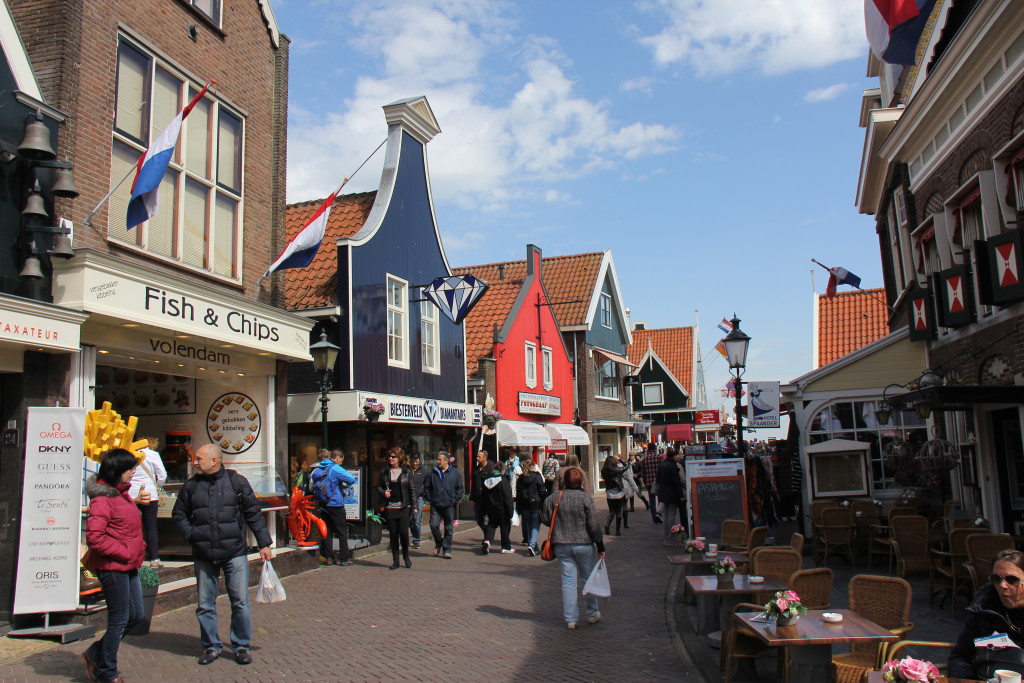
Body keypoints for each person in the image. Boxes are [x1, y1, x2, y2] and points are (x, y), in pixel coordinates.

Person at [172, 444, 273, 667]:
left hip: (234, 552)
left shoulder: (237, 482)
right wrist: (192, 535)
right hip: (203, 553)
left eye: (199, 459)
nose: (195, 462)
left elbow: (253, 513)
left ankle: (240, 646)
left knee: (240, 601)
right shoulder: (191, 486)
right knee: (205, 603)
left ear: (214, 461)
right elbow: (179, 513)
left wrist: (264, 543)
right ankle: (211, 646)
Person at [81, 449, 146, 683]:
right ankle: (107, 672)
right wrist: (125, 551)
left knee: (137, 615)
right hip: (113, 566)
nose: (133, 472)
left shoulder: (122, 494)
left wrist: (138, 547)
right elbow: (95, 538)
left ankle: (95, 653)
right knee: (120, 618)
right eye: (130, 469)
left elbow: (126, 528)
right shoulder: (102, 500)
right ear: (117, 471)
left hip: (128, 564)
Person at [541, 467, 606, 630]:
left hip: (562, 544)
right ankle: (592, 613)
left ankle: (570, 619)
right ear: (580, 481)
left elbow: (544, 517)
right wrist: (600, 545)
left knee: (568, 581)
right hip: (584, 543)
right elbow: (593, 524)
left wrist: (557, 524)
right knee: (587, 579)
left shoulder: (555, 497)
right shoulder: (585, 498)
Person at [949, 549, 1024, 679]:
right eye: (996, 578)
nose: (1003, 586)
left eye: (1012, 580)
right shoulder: (984, 608)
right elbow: (961, 655)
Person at [310, 449, 357, 566]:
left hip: (323, 503)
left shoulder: (318, 469)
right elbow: (351, 479)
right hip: (335, 504)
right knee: (342, 532)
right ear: (335, 458)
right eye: (341, 459)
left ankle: (328, 557)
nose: (341, 462)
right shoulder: (335, 469)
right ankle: (344, 558)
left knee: (327, 532)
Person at [377, 447, 417, 569]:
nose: (391, 459)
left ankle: (406, 556)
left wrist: (414, 505)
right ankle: (396, 561)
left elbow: (412, 489)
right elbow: (378, 486)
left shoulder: (406, 471)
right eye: (390, 456)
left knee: (404, 533)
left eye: (393, 457)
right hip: (390, 507)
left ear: (399, 458)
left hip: (403, 507)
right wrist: (384, 492)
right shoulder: (385, 471)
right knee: (393, 535)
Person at [129, 436, 166, 568]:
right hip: (150, 493)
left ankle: (134, 555)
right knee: (151, 526)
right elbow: (162, 475)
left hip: (131, 493)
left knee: (132, 525)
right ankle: (154, 558)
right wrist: (157, 484)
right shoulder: (153, 454)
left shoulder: (128, 452)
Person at [423, 450, 464, 559]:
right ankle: (439, 542)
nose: (438, 461)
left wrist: (454, 500)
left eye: (440, 460)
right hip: (436, 504)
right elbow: (427, 487)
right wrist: (430, 498)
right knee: (433, 525)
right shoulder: (433, 472)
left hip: (449, 505)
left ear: (446, 461)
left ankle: (446, 550)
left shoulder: (456, 473)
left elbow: (460, 489)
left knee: (448, 528)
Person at [480, 459, 515, 554]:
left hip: (490, 508)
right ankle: (506, 547)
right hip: (502, 508)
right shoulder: (503, 480)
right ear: (502, 470)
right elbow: (507, 497)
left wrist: (484, 509)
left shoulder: (487, 481)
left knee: (491, 526)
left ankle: (487, 541)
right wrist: (510, 510)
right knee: (505, 527)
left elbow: (483, 496)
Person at [516, 459, 546, 556]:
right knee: (535, 526)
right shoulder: (537, 476)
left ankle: (534, 547)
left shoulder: (520, 479)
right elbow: (542, 490)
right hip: (536, 504)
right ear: (532, 467)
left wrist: (518, 507)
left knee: (529, 526)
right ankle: (532, 545)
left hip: (524, 504)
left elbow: (518, 494)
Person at [657, 448, 685, 543]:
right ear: (673, 456)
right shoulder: (673, 466)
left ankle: (666, 535)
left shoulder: (661, 465)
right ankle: (670, 534)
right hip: (672, 492)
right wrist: (680, 495)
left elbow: (657, 479)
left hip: (663, 491)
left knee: (666, 514)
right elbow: (676, 482)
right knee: (672, 513)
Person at [471, 450, 497, 538]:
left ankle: (487, 537)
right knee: (479, 519)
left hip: (488, 498)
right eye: (477, 456)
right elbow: (474, 484)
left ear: (485, 458)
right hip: (478, 497)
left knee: (487, 519)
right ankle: (487, 535)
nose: (477, 458)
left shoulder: (491, 468)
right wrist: (471, 498)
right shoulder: (476, 469)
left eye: (479, 457)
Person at [601, 453, 629, 536]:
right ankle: (617, 531)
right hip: (618, 493)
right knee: (619, 513)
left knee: (612, 512)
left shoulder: (603, 470)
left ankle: (607, 525)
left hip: (609, 493)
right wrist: (620, 459)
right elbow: (627, 466)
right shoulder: (616, 469)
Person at [641, 448, 663, 523]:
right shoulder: (660, 457)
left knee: (652, 500)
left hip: (649, 482)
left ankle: (654, 516)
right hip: (659, 481)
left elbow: (643, 472)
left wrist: (645, 481)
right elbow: (662, 469)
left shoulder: (644, 459)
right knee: (661, 499)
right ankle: (659, 514)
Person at [409, 454, 426, 549]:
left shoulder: (424, 471)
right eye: (413, 462)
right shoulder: (407, 470)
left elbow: (427, 484)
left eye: (417, 462)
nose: (415, 463)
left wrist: (424, 495)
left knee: (416, 520)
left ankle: (416, 540)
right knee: (411, 520)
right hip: (408, 499)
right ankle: (414, 536)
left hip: (419, 498)